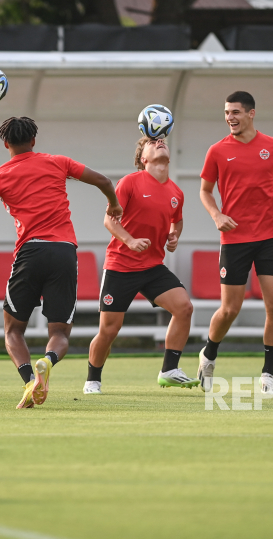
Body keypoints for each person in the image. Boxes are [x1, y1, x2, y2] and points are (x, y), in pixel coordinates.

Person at [0, 116, 122, 409]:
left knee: (13, 329)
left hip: (31, 252)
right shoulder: (58, 162)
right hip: (64, 252)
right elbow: (104, 181)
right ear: (34, 141)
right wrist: (113, 203)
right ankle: (47, 361)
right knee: (60, 333)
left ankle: (29, 381)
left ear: (5, 144)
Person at [197, 91, 273, 395]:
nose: (230, 118)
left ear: (251, 114)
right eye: (227, 113)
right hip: (234, 239)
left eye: (236, 113)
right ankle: (209, 354)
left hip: (269, 236)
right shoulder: (216, 151)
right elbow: (205, 191)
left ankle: (268, 373)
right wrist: (216, 215)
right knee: (230, 309)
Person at [84, 136, 197, 394]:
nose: (160, 142)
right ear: (143, 158)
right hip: (120, 266)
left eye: (163, 140)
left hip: (152, 267)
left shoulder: (176, 192)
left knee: (184, 307)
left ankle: (169, 370)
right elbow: (109, 221)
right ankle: (93, 380)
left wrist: (174, 235)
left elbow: (176, 221)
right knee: (109, 330)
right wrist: (130, 240)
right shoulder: (130, 183)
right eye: (152, 141)